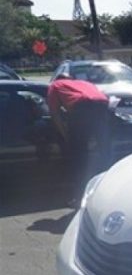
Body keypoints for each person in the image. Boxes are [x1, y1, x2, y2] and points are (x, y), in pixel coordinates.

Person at [47, 73, 111, 205]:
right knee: (105, 151)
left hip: (81, 107)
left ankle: (79, 197)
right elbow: (99, 99)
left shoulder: (55, 85)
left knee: (79, 157)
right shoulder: (84, 83)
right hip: (102, 104)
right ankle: (109, 190)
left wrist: (66, 134)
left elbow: (54, 113)